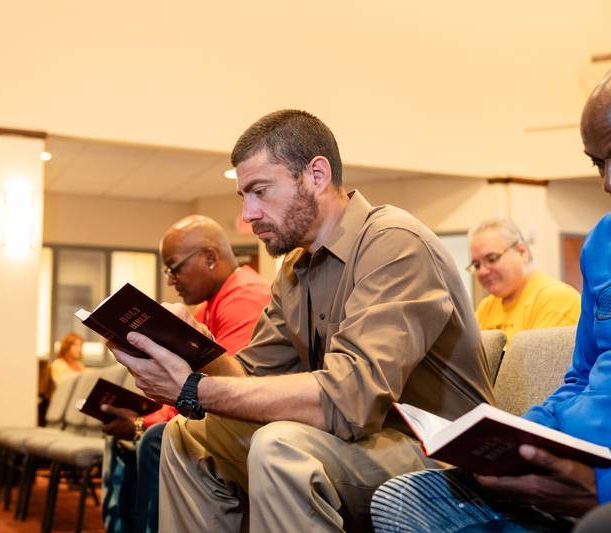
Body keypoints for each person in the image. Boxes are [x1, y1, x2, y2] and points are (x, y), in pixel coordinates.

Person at [109, 110, 495, 531]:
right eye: (244, 196)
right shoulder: (295, 269)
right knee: (186, 438)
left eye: (259, 191)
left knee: (281, 448)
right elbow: (249, 378)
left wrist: (193, 389)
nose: (249, 215)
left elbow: (349, 400)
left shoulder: (395, 243)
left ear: (316, 174)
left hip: (444, 454)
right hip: (363, 441)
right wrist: (194, 345)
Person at [370, 70, 611, 532]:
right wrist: (518, 436)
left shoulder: (551, 298)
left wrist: (601, 486)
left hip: (598, 491)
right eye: (597, 163)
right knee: (403, 497)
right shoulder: (600, 244)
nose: (606, 183)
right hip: (556, 466)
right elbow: (580, 376)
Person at [101, 215, 271, 533]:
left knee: (156, 438)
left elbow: (225, 389)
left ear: (209, 258)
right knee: (131, 438)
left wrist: (142, 425)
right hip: (222, 416)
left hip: (253, 424)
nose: (170, 280)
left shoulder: (245, 297)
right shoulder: (208, 307)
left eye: (174, 267)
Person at [468, 217, 580, 344]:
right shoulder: (486, 307)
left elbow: (540, 362)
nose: (482, 271)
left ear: (522, 252)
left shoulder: (557, 300)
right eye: (476, 265)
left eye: (492, 259)